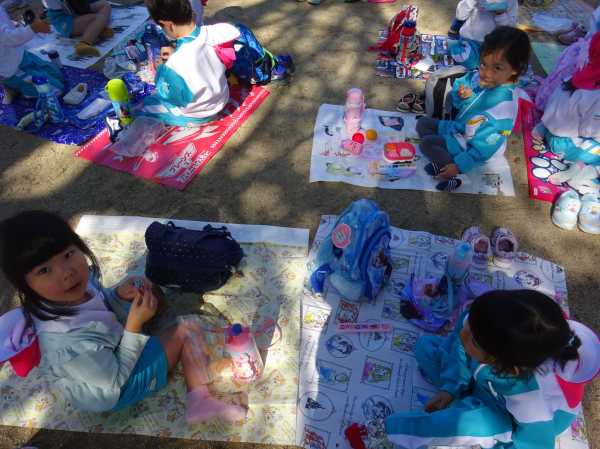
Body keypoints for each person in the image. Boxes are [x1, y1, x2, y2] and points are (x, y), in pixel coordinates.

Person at [0, 210, 247, 424]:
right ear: (25, 286)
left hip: (110, 349)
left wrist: (117, 295)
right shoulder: (65, 344)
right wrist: (134, 327)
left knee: (148, 289)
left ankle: (155, 339)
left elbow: (98, 304)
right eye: (45, 270)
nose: (67, 272)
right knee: (186, 329)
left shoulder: (73, 289)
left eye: (68, 254)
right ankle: (200, 400)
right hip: (115, 390)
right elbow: (115, 381)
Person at [385, 289, 600, 449]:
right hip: (484, 381)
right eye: (470, 323)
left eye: (474, 341)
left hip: (508, 414)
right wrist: (450, 387)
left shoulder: (528, 398)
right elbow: (459, 341)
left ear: (507, 367)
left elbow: (536, 442)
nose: (464, 332)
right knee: (425, 347)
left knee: (463, 424)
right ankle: (463, 399)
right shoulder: (484, 321)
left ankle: (390, 430)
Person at [416, 26, 529, 192]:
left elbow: (484, 147)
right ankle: (443, 155)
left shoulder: (503, 109)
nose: (486, 73)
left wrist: (459, 165)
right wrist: (462, 95)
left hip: (471, 144)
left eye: (497, 68)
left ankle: (454, 173)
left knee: (427, 144)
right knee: (422, 124)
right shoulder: (482, 77)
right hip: (458, 128)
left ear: (515, 69)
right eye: (483, 64)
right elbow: (462, 85)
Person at [139, 0, 241, 126]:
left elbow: (171, 95)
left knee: (148, 104)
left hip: (200, 113)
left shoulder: (174, 63)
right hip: (222, 98)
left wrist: (161, 70)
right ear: (192, 13)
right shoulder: (214, 33)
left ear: (168, 25)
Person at [0, 6, 64, 103]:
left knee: (58, 75)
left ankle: (18, 83)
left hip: (23, 55)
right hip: (13, 70)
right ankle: (15, 87)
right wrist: (34, 28)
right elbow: (9, 38)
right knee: (56, 90)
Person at [448, 0, 518, 70]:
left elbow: (509, 30)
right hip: (469, 39)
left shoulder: (511, 2)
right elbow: (460, 16)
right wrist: (470, 2)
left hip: (491, 45)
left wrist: (501, 14)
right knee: (468, 61)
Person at [42, 0, 113, 57]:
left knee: (104, 5)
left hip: (78, 11)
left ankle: (98, 28)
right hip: (65, 20)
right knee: (99, 17)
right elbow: (67, 8)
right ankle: (84, 44)